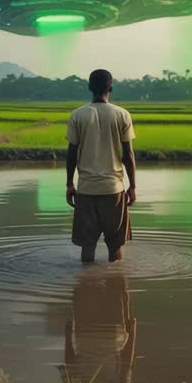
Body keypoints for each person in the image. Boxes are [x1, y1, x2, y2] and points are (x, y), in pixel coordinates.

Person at [65, 68, 137, 263]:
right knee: (115, 247)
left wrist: (70, 184)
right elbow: (128, 155)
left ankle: (85, 285)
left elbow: (71, 153)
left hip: (86, 189)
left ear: (89, 88)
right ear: (110, 88)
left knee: (88, 246)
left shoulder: (78, 115)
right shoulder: (122, 114)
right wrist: (132, 187)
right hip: (113, 189)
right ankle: (116, 287)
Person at [59, 271, 137, 383]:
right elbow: (69, 364)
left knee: (116, 283)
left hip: (111, 334)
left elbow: (126, 363)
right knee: (85, 281)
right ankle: (104, 263)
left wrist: (132, 332)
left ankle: (115, 265)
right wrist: (68, 335)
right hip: (85, 333)